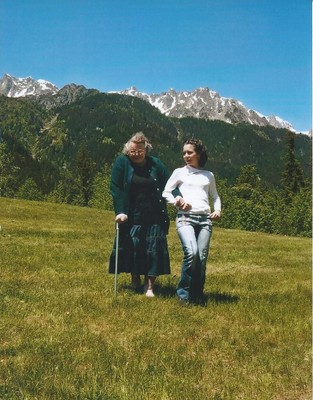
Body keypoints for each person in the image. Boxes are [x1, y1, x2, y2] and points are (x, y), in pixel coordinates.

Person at [109, 132, 174, 297]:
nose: (136, 154)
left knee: (153, 249)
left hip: (154, 215)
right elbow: (116, 188)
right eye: (133, 151)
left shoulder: (156, 164)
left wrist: (178, 198)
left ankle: (150, 286)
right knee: (134, 247)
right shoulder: (121, 163)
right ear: (127, 151)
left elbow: (170, 184)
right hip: (131, 214)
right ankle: (135, 279)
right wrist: (120, 211)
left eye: (139, 151)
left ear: (146, 150)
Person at [162, 138, 221, 305]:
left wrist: (217, 210)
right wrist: (177, 201)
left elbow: (215, 197)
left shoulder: (208, 175)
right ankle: (183, 294)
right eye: (184, 153)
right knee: (192, 253)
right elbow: (167, 192)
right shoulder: (179, 172)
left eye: (190, 152)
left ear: (199, 154)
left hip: (205, 220)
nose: (186, 156)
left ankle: (197, 294)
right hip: (185, 218)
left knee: (201, 258)